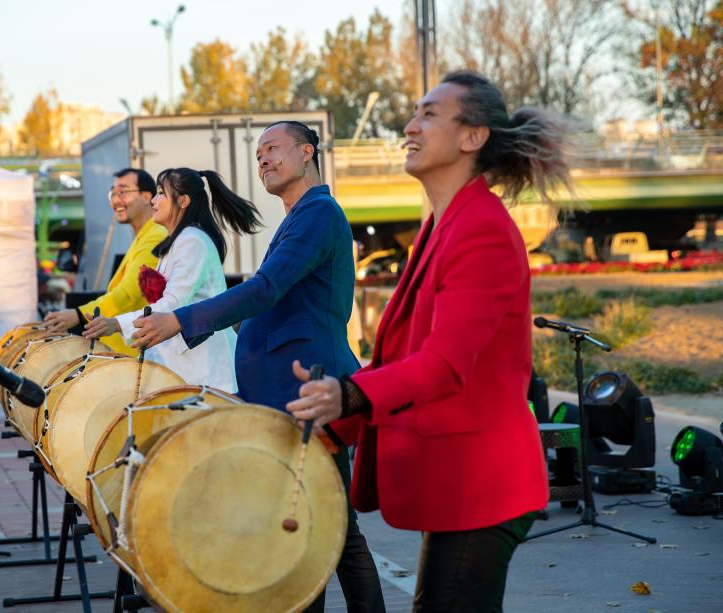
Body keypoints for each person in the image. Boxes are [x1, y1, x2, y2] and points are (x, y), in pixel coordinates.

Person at [287, 71, 570, 612]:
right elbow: (401, 357)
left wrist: (347, 395)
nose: (409, 126)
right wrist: (337, 416)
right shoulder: (445, 225)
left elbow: (443, 365)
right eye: (415, 114)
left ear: (472, 137)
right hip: (459, 480)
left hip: (486, 481)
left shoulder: (481, 227)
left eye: (428, 114)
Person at [131, 121, 385, 613]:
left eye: (273, 149)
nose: (263, 160)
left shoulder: (318, 213)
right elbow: (267, 300)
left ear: (306, 152)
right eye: (258, 155)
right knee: (319, 523)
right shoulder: (299, 217)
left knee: (318, 523)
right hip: (288, 391)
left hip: (307, 388)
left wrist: (181, 321)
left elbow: (266, 290)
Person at [81, 167, 261, 392]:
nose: (154, 201)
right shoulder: (178, 242)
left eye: (161, 193)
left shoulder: (192, 241)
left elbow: (172, 304)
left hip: (205, 372)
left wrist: (116, 323)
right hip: (186, 369)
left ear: (183, 201)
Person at [43, 168, 167, 355]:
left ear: (146, 196)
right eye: (113, 194)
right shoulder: (144, 236)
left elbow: (128, 294)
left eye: (123, 192)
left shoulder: (155, 236)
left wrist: (78, 314)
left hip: (139, 354)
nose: (116, 200)